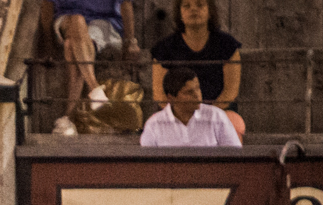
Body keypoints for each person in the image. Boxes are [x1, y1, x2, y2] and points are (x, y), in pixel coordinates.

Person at [40, 1, 140, 135]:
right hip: (65, 20)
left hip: (103, 22)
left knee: (72, 46)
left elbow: (125, 3)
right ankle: (94, 87)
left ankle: (68, 118)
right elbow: (47, 4)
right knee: (77, 20)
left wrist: (130, 41)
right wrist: (48, 42)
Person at [151, 0, 244, 141]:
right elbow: (160, 95)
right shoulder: (164, 48)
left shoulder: (227, 45)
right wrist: (183, 115)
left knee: (234, 123)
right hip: (178, 114)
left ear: (210, 12)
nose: (193, 9)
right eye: (186, 6)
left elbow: (230, 92)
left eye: (200, 5)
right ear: (180, 14)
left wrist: (206, 116)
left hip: (219, 112)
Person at [139, 66, 240, 147]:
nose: (197, 95)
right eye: (189, 92)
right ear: (171, 98)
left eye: (198, 88)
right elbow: (146, 166)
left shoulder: (216, 116)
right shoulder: (154, 124)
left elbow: (235, 158)